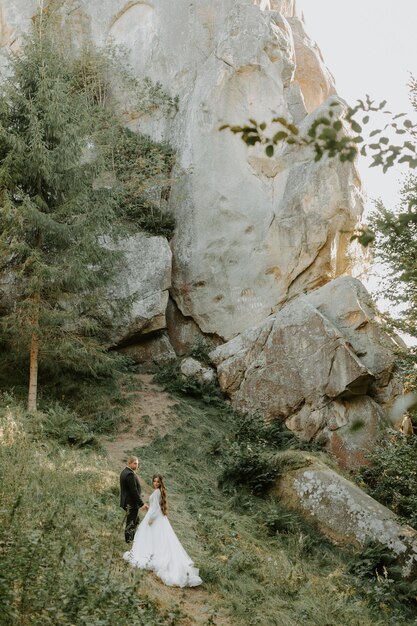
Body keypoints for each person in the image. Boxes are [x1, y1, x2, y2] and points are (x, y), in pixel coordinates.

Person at [123, 474, 202, 588]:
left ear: (161, 483)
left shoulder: (157, 492)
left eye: (158, 482)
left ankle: (152, 556)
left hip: (155, 518)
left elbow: (157, 509)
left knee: (151, 537)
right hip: (157, 517)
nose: (155, 483)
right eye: (154, 481)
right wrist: (149, 509)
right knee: (156, 538)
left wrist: (150, 519)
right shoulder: (158, 492)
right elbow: (156, 507)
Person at [119, 456, 148, 543]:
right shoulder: (130, 474)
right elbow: (133, 491)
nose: (137, 465)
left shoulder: (124, 472)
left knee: (135, 520)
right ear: (129, 463)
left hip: (127, 502)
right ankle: (129, 541)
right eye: (135, 463)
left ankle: (132, 538)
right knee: (131, 522)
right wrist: (142, 504)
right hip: (131, 503)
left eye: (137, 464)